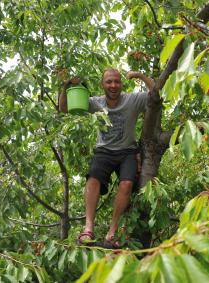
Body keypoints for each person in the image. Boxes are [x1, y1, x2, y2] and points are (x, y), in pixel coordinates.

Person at [59, 68, 154, 247]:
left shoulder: (132, 99)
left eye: (117, 81)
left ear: (121, 84)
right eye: (109, 82)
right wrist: (67, 86)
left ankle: (112, 231)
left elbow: (156, 93)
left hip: (127, 151)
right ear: (102, 84)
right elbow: (64, 109)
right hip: (104, 151)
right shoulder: (95, 103)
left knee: (127, 184)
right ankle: (88, 228)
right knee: (93, 177)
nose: (113, 85)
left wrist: (140, 76)